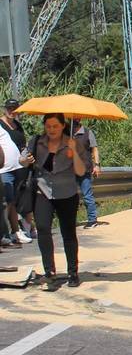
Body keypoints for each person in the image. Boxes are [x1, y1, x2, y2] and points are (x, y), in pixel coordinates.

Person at [19, 113, 87, 290]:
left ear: (63, 126)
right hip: (43, 192)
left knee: (68, 233)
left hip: (67, 193)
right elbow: (22, 160)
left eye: (55, 126)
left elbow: (80, 172)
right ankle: (49, 271)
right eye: (48, 126)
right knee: (42, 228)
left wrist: (74, 152)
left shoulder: (73, 143)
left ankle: (73, 272)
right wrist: (26, 160)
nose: (51, 130)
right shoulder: (37, 142)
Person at [0, 98, 33, 244]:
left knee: (16, 200)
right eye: (9, 108)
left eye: (15, 108)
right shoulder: (0, 124)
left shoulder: (18, 126)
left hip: (20, 167)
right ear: (4, 109)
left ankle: (17, 231)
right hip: (5, 169)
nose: (12, 111)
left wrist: (27, 156)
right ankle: (6, 233)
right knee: (7, 201)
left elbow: (22, 145)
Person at [72, 118, 102, 228]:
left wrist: (97, 165)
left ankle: (92, 219)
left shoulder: (88, 133)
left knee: (87, 195)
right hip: (70, 170)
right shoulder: (67, 133)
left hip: (85, 169)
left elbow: (94, 149)